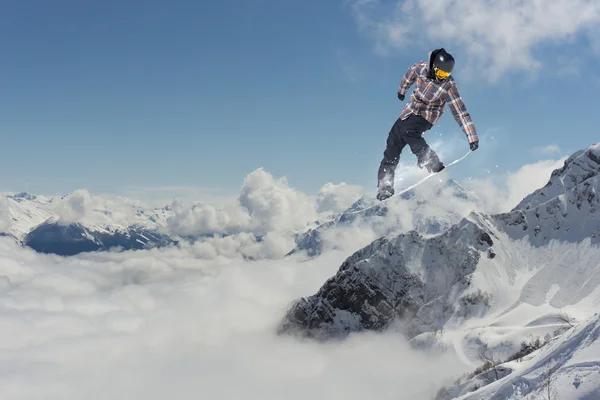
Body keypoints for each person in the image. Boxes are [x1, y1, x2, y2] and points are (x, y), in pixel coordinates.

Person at [376, 48, 479, 201]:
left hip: (427, 116)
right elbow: (409, 74)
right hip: (410, 111)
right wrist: (402, 90)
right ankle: (385, 186)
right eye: (441, 73)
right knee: (393, 141)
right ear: (433, 67)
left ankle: (431, 160)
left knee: (408, 131)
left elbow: (460, 112)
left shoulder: (448, 86)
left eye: (446, 74)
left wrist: (472, 137)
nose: (442, 77)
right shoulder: (421, 68)